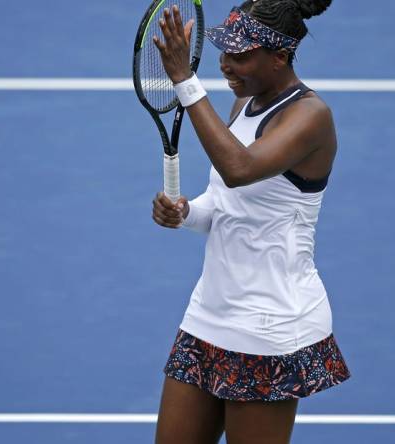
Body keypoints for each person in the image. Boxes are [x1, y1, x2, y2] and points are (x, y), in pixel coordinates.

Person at [151, 1, 350, 443]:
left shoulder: (310, 117)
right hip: (209, 313)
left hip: (269, 327)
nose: (226, 64)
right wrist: (186, 213)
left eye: (240, 55)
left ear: (279, 56)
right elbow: (227, 203)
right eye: (224, 51)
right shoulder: (244, 103)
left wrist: (185, 81)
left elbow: (238, 169)